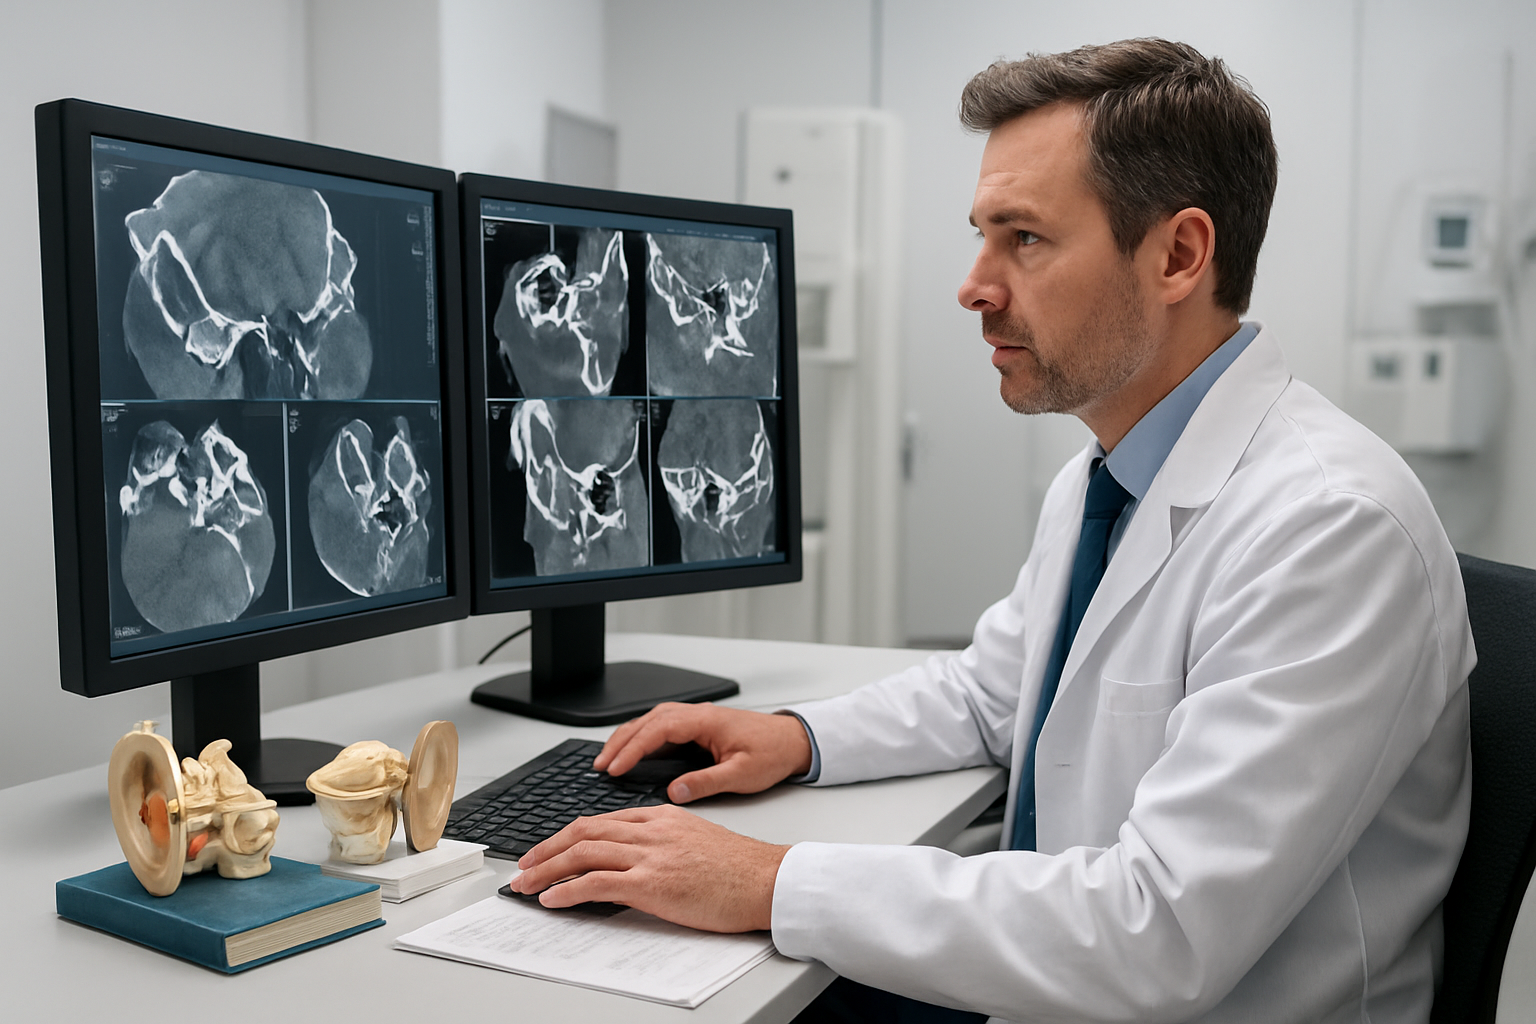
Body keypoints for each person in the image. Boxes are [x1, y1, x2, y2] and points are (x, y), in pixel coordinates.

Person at [509, 38, 1473, 1024]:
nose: (974, 285)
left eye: (1025, 238)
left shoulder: (1330, 529)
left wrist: (770, 879)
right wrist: (795, 737)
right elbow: (990, 694)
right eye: (981, 234)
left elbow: (1159, 937)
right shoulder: (1106, 474)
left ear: (1179, 254)